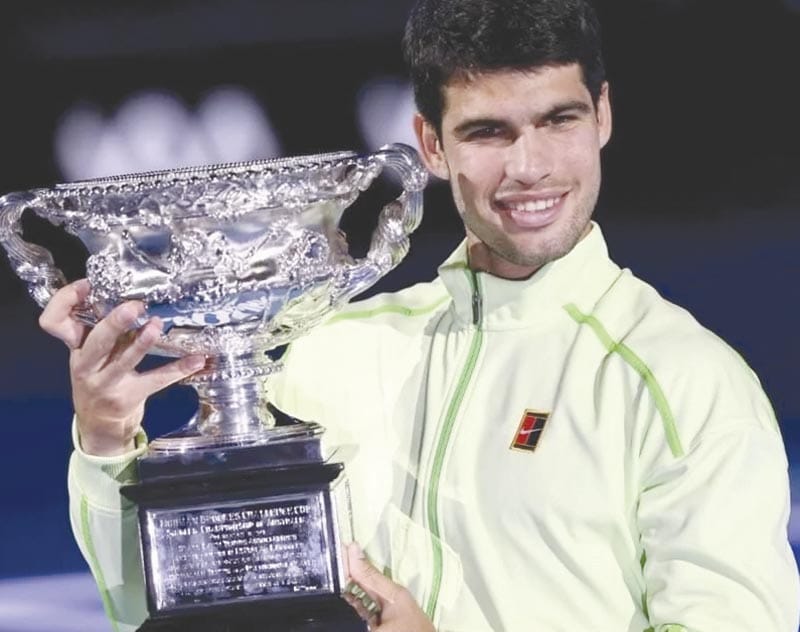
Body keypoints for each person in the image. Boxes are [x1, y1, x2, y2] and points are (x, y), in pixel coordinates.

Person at [40, 0, 800, 630]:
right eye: (487, 131)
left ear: (602, 116)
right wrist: (107, 438)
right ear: (430, 145)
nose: (529, 167)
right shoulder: (328, 352)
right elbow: (159, 608)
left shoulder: (683, 381)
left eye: (558, 120)